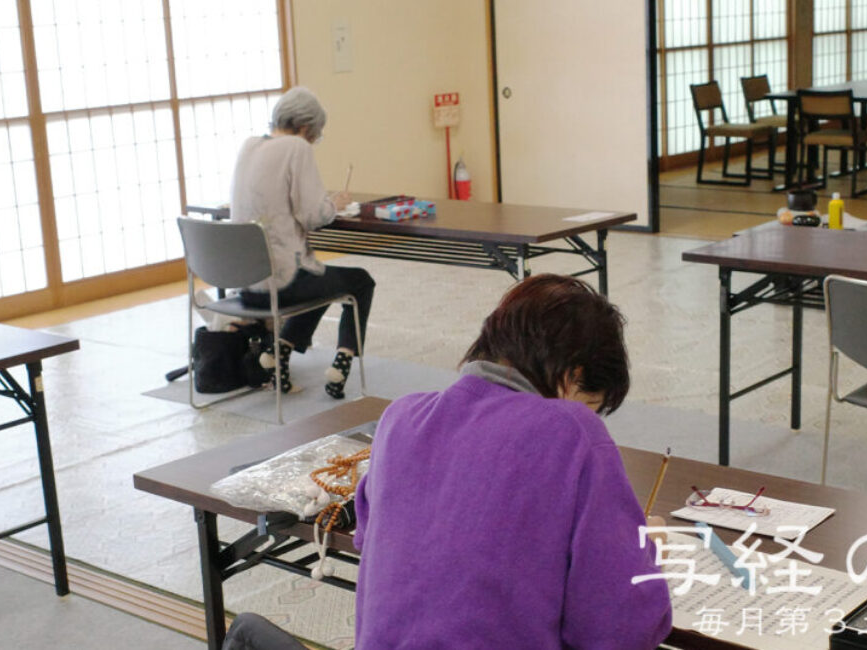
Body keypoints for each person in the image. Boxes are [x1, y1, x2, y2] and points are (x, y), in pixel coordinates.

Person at [353, 274, 673, 648]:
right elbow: (619, 627)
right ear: (573, 376)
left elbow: (370, 533)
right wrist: (648, 551)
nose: (589, 416)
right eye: (591, 405)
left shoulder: (400, 417)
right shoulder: (571, 430)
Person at [230, 86, 374, 399]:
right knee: (359, 282)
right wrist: (334, 203)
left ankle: (277, 352)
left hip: (247, 287)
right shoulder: (297, 148)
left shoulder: (249, 145)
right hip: (281, 284)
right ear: (307, 129)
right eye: (314, 136)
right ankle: (342, 364)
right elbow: (313, 215)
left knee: (320, 277)